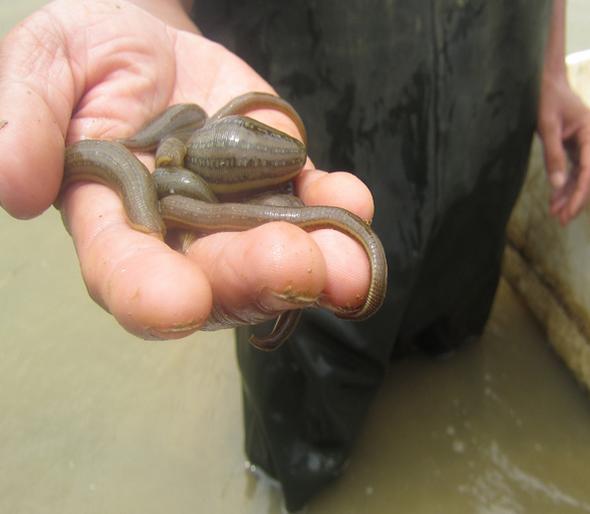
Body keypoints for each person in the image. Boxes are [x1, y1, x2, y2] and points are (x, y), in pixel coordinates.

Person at [1, 0, 589, 511]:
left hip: (487, 129)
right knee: (301, 366)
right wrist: (156, 18)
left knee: (451, 340)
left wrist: (547, 68)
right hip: (307, 103)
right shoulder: (169, 173)